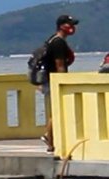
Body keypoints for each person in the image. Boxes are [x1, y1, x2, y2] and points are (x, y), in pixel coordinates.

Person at [41, 14, 78, 153]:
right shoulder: (58, 43)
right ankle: (49, 140)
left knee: (55, 112)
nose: (73, 27)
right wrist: (63, 82)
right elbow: (60, 65)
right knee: (55, 113)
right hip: (53, 81)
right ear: (62, 26)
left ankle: (50, 139)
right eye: (70, 24)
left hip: (48, 80)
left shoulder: (53, 39)